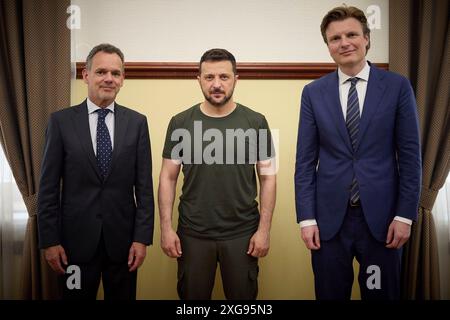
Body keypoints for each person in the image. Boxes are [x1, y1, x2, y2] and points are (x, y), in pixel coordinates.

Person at [295, 6, 421, 300]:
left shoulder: (397, 87)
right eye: (335, 38)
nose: (344, 42)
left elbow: (411, 157)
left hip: (382, 223)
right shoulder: (313, 93)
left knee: (380, 294)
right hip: (329, 224)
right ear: (328, 47)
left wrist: (405, 215)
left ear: (366, 39)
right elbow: (304, 162)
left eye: (351, 34)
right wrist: (307, 219)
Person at [37, 43, 154, 300]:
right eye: (101, 72)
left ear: (123, 79)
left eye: (116, 73)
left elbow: (144, 188)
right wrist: (49, 241)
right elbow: (47, 188)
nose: (109, 79)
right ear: (86, 75)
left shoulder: (137, 123)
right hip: (73, 246)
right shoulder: (61, 122)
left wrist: (141, 239)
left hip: (123, 246)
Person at [158, 48, 276, 300]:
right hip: (193, 233)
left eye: (224, 77)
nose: (217, 84)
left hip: (243, 233)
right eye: (209, 77)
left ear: (236, 79)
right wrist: (166, 229)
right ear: (198, 79)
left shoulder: (256, 122)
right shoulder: (180, 122)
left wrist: (264, 230)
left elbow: (268, 177)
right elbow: (168, 177)